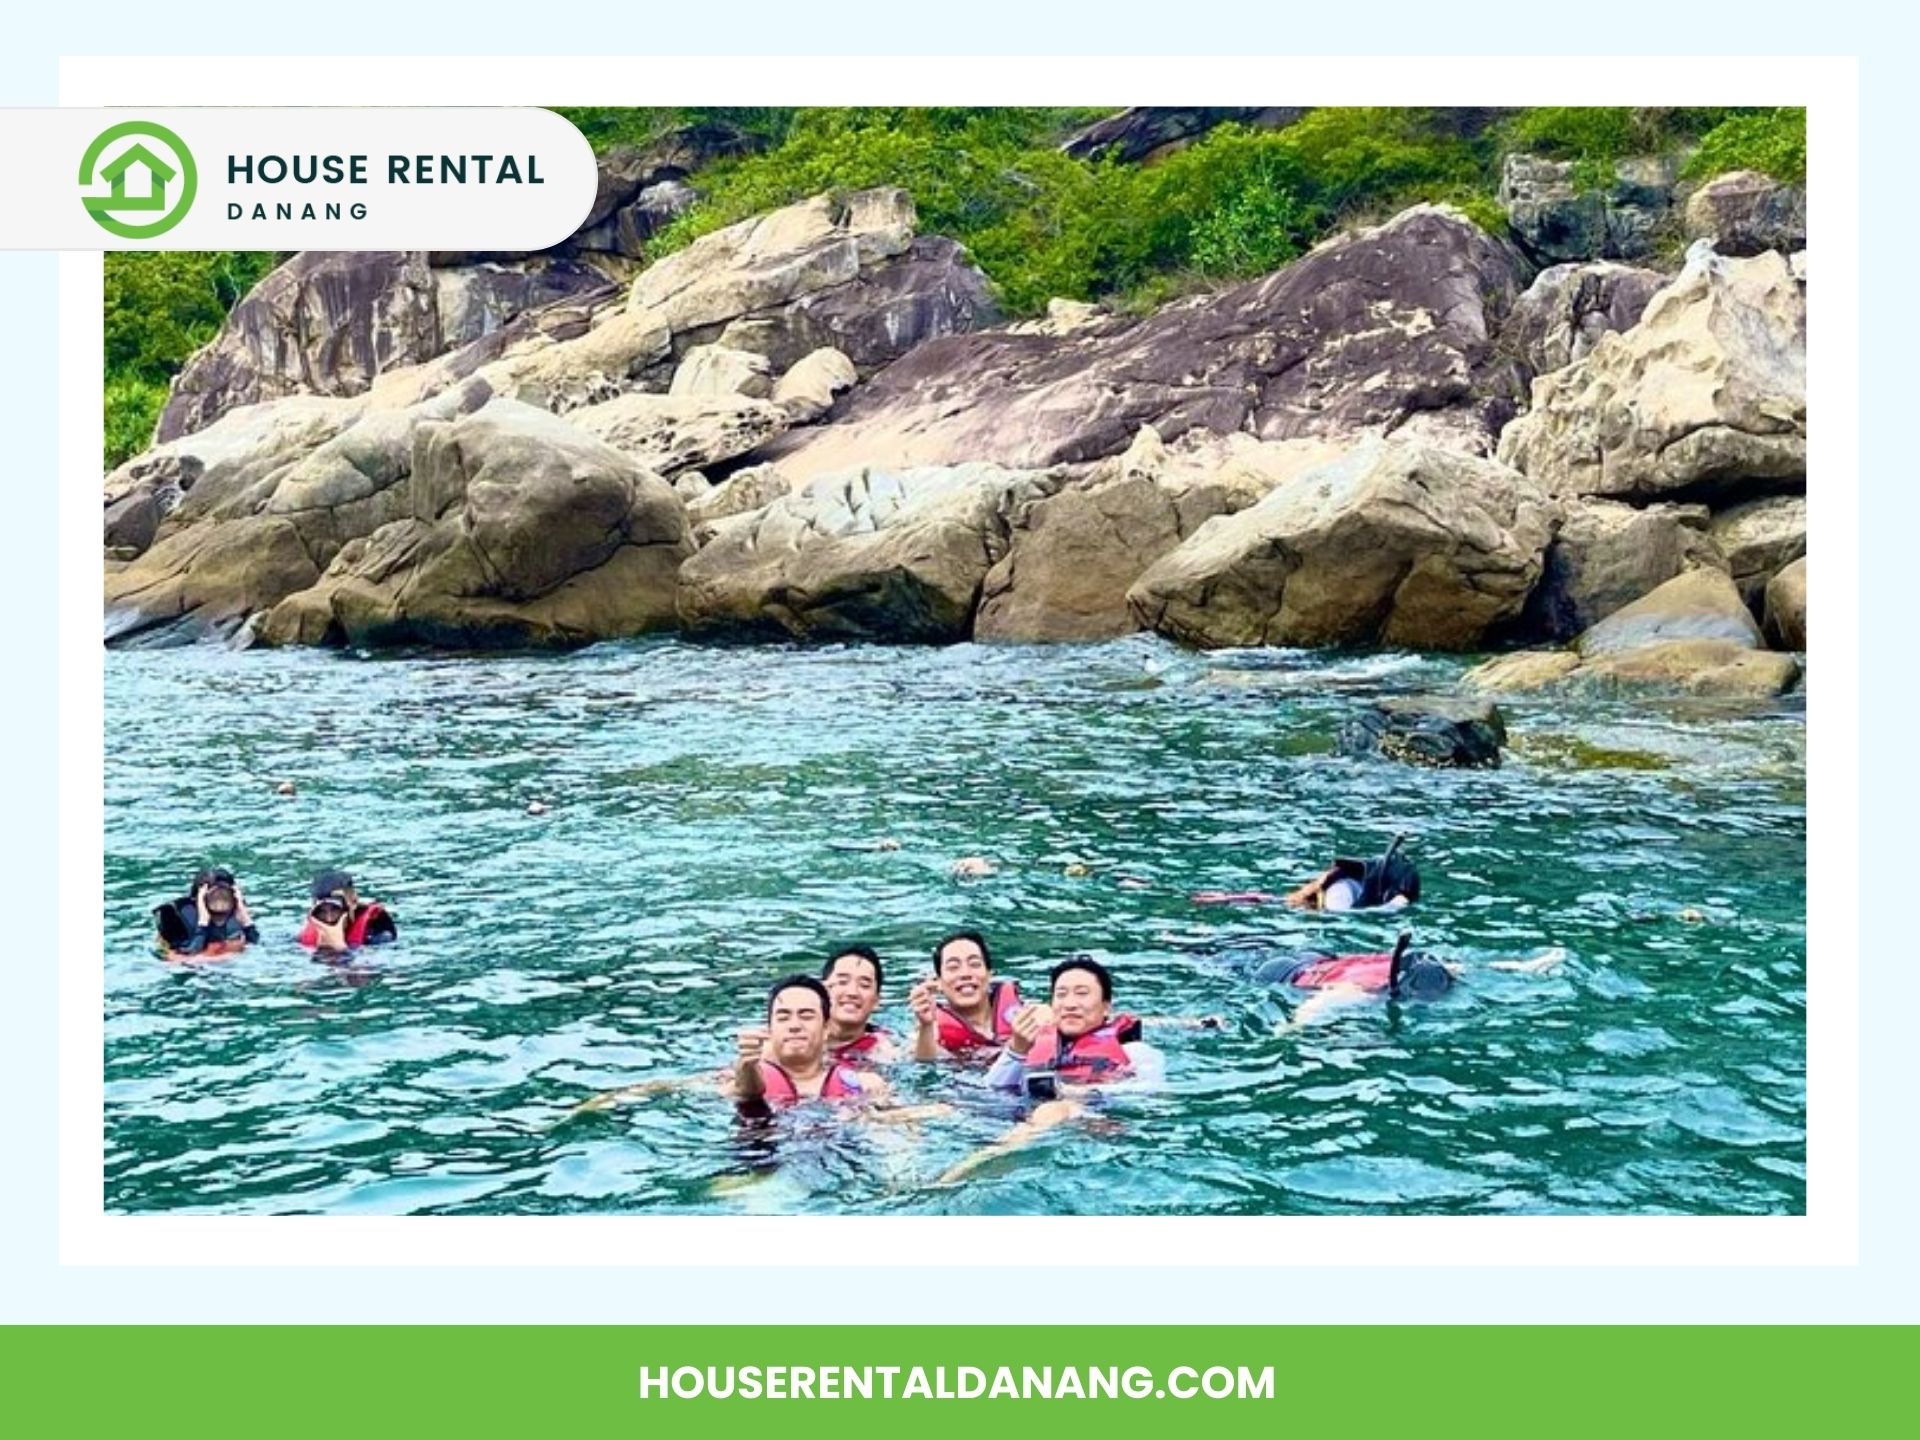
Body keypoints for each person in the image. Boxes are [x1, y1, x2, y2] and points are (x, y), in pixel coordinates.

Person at [1253, 931, 1566, 1031]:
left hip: (1323, 958)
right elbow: (1315, 1006)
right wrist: (1287, 1032)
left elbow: (1472, 966)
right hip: (1280, 972)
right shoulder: (1360, 991)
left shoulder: (1410, 966)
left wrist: (1523, 967)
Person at [1192, 835, 1421, 911]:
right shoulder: (1340, 893)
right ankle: (1229, 899)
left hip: (1345, 889)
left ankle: (1228, 899)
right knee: (1288, 902)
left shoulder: (1342, 886)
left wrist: (1229, 898)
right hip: (1345, 895)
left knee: (1286, 901)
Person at [911, 930, 1023, 1061]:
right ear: (938, 982)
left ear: (989, 975)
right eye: (953, 967)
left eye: (974, 964)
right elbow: (923, 1063)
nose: (965, 973)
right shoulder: (930, 1031)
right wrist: (926, 1026)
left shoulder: (1023, 1015)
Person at [821, 945, 904, 1064]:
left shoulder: (883, 1052)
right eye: (843, 982)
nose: (852, 992)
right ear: (822, 991)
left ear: (876, 1001)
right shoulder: (798, 1033)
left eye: (864, 985)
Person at [154, 866, 259, 960]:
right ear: (198, 899)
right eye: (214, 898)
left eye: (225, 897)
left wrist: (247, 922)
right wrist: (203, 924)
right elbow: (182, 960)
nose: (220, 903)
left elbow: (257, 948)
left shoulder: (240, 917)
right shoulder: (175, 919)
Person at [297, 869, 397, 954]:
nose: (329, 919)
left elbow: (365, 972)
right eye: (321, 912)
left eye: (335, 909)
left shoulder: (379, 936)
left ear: (353, 902)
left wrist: (339, 948)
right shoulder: (308, 934)